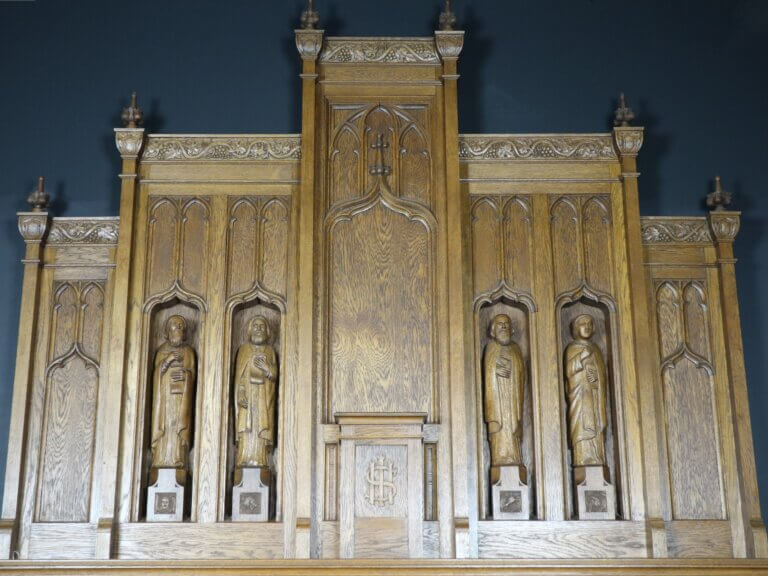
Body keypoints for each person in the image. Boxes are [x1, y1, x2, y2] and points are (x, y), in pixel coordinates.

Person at [150, 315, 196, 476]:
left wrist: (186, 376)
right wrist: (167, 360)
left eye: (181, 327)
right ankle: (161, 459)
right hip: (164, 400)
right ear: (167, 331)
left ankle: (178, 458)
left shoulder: (188, 351)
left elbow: (192, 374)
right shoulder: (162, 351)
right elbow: (157, 374)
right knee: (166, 428)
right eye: (175, 326)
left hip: (180, 400)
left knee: (177, 428)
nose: (179, 329)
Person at [234, 315, 278, 469]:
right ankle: (243, 459)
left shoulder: (270, 351)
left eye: (262, 327)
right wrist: (240, 393)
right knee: (247, 429)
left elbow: (274, 375)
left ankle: (261, 460)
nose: (258, 329)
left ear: (267, 332)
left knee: (260, 427)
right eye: (255, 326)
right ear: (250, 330)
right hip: (247, 399)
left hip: (262, 398)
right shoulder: (244, 350)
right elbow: (238, 377)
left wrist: (267, 369)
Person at [564, 314, 608, 467]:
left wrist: (597, 380)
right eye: (583, 324)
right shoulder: (572, 349)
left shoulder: (595, 349)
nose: (587, 326)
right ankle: (583, 460)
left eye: (590, 324)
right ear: (576, 329)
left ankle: (596, 459)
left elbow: (602, 377)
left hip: (594, 398)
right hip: (580, 399)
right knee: (582, 430)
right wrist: (581, 357)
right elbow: (569, 371)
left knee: (595, 432)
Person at [483, 313, 526, 467]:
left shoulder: (516, 349)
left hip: (512, 401)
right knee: (500, 436)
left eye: (506, 324)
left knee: (513, 431)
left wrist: (512, 368)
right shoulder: (491, 348)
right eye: (500, 324)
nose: (503, 326)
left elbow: (521, 372)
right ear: (493, 330)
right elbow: (488, 370)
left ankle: (515, 460)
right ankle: (499, 460)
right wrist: (495, 368)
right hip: (497, 401)